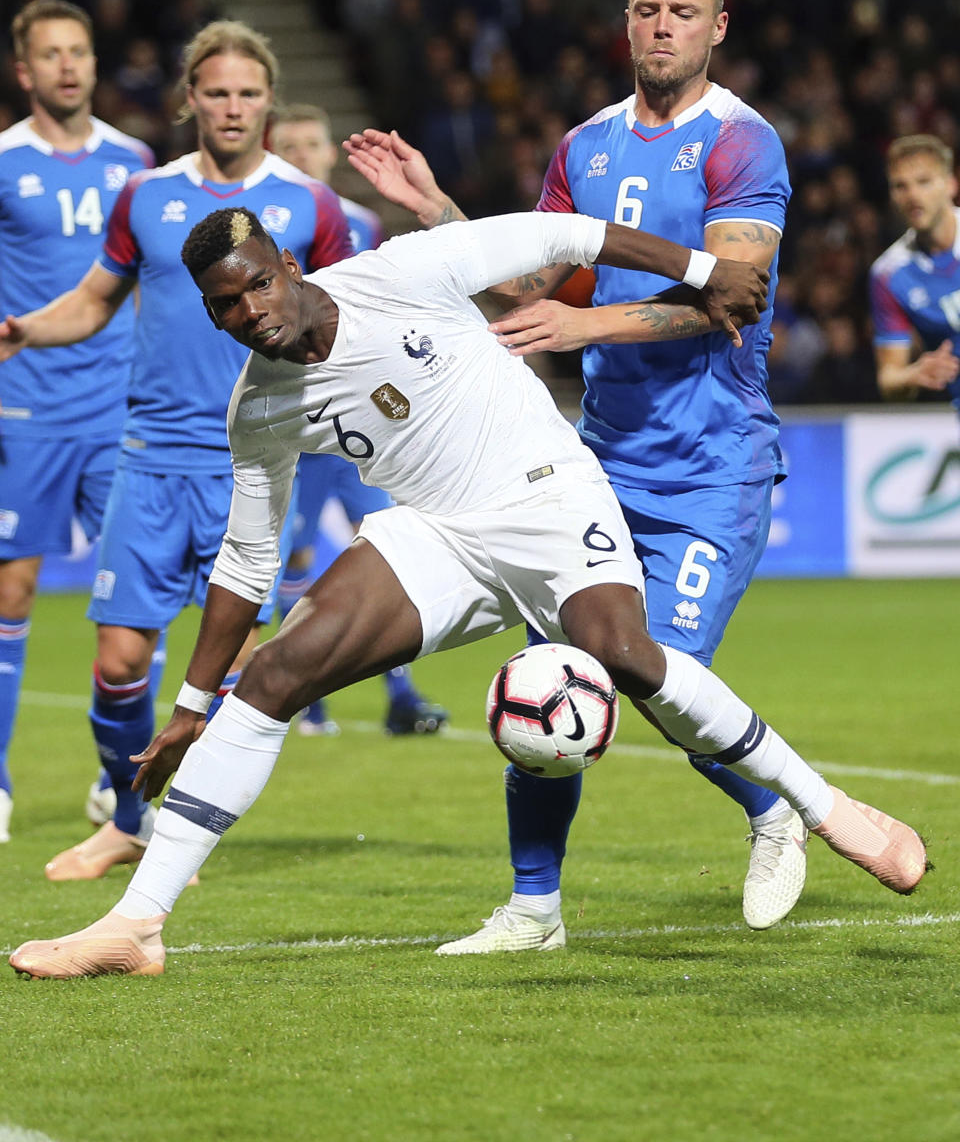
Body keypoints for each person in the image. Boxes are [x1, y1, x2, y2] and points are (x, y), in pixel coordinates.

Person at [8, 205, 926, 978]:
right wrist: (191, 705)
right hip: (439, 533)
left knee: (626, 657)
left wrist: (703, 268)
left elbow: (563, 233)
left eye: (257, 284)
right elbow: (247, 565)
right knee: (275, 675)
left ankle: (825, 808)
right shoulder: (260, 409)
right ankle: (136, 925)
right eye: (226, 305)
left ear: (290, 266)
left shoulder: (407, 270)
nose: (250, 311)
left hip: (545, 491)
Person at [343, 0, 803, 947]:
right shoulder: (585, 147)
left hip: (712, 467)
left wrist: (587, 330)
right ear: (625, 21)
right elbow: (537, 291)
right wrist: (440, 213)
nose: (663, 26)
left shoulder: (742, 142)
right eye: (647, 9)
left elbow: (737, 297)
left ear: (717, 27)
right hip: (599, 465)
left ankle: (776, 811)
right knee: (549, 674)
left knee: (654, 671)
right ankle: (534, 909)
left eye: (684, 11)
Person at [0, 22, 352, 879]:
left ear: (268, 100)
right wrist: (19, 330)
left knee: (229, 680)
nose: (232, 107)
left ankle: (181, 843)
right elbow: (91, 301)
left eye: (247, 93)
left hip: (253, 467)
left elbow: (348, 311)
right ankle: (128, 818)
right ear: (189, 98)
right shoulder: (144, 196)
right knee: (118, 667)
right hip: (149, 457)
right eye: (216, 92)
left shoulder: (312, 204)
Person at [0, 0, 153, 844]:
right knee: (10, 589)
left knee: (136, 597)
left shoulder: (134, 163)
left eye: (79, 52)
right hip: (25, 408)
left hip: (120, 407)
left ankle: (121, 785)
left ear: (94, 65)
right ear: (25, 71)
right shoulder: (3, 163)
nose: (67, 66)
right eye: (50, 54)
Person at [270, 105, 449, 737]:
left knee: (388, 543)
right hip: (295, 418)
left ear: (327, 154)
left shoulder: (364, 223)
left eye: (309, 143)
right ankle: (302, 695)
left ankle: (400, 695)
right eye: (285, 144)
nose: (298, 153)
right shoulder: (259, 225)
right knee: (291, 554)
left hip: (360, 421)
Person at [870, 134, 960, 407]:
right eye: (900, 186)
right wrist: (913, 375)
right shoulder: (889, 274)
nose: (913, 196)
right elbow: (889, 378)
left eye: (924, 182)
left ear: (950, 184)